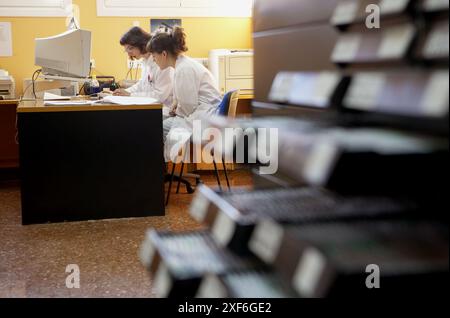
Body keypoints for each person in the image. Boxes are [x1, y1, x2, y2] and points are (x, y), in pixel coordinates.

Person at [147, 26, 222, 141]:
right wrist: (176, 105)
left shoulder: (183, 69)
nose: (153, 60)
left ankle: (164, 158)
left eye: (154, 56)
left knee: (155, 128)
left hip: (202, 118)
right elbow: (186, 101)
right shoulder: (182, 65)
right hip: (202, 114)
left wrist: (176, 110)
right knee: (158, 120)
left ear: (163, 54)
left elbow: (189, 108)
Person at [114, 26, 174, 113]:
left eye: (130, 48)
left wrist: (130, 95)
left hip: (164, 110)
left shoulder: (161, 62)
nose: (129, 53)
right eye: (126, 50)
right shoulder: (145, 61)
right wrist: (124, 92)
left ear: (142, 45)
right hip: (151, 108)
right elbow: (142, 84)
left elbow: (160, 96)